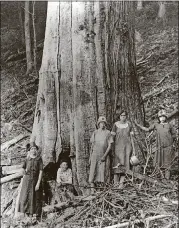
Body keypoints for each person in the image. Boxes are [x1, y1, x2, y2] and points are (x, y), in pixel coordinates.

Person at [135, 109, 176, 179]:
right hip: (159, 147)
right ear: (158, 118)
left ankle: (167, 179)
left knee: (168, 163)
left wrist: (171, 142)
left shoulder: (169, 125)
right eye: (160, 117)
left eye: (163, 116)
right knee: (158, 162)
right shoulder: (156, 125)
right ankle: (162, 178)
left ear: (166, 117)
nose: (162, 118)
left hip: (168, 147)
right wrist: (138, 125)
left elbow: (174, 135)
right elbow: (147, 129)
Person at [18, 142, 43, 221]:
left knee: (34, 197)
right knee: (25, 196)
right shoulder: (27, 159)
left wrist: (38, 183)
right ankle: (25, 213)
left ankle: (33, 215)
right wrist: (23, 171)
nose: (33, 150)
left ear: (36, 150)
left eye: (35, 149)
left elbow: (41, 171)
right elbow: (22, 167)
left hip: (35, 180)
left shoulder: (39, 159)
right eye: (32, 149)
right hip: (27, 180)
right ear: (29, 150)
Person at [89, 116, 113, 193]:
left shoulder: (108, 132)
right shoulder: (95, 132)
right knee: (93, 172)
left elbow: (110, 145)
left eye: (104, 123)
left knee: (103, 173)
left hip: (104, 155)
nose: (102, 125)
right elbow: (92, 146)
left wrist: (104, 156)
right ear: (98, 124)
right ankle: (92, 190)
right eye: (101, 123)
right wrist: (90, 156)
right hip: (95, 155)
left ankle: (102, 191)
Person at [111, 110, 134, 187]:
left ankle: (121, 185)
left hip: (127, 148)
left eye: (124, 115)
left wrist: (133, 148)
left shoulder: (129, 124)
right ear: (119, 116)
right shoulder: (116, 124)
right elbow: (112, 138)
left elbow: (131, 138)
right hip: (118, 148)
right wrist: (112, 148)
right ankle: (115, 184)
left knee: (125, 165)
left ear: (126, 116)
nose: (123, 117)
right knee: (117, 166)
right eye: (121, 115)